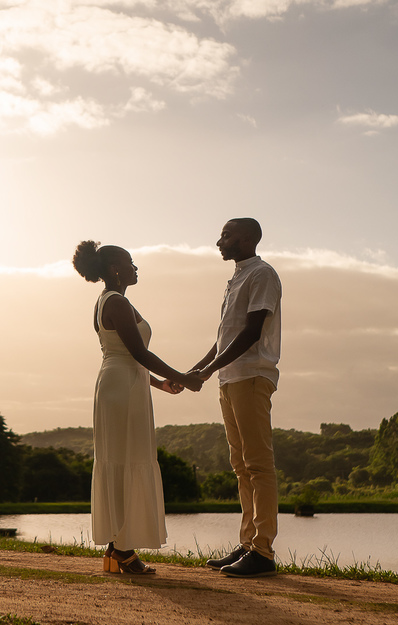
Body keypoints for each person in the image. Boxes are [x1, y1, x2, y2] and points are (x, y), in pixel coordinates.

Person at [72, 240, 204, 575]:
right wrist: (183, 377)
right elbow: (138, 354)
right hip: (121, 387)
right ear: (115, 269)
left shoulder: (112, 301)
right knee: (124, 458)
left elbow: (130, 359)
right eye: (130, 262)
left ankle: (117, 546)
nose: (135, 267)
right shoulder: (114, 302)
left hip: (125, 382)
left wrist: (160, 384)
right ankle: (123, 551)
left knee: (127, 457)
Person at [190, 218, 282, 578]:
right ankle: (248, 544)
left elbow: (252, 331)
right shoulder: (237, 277)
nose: (219, 241)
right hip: (230, 377)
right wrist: (196, 370)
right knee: (241, 466)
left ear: (247, 239)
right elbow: (225, 337)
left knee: (258, 464)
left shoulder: (262, 274)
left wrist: (208, 369)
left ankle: (263, 551)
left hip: (252, 375)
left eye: (226, 235)